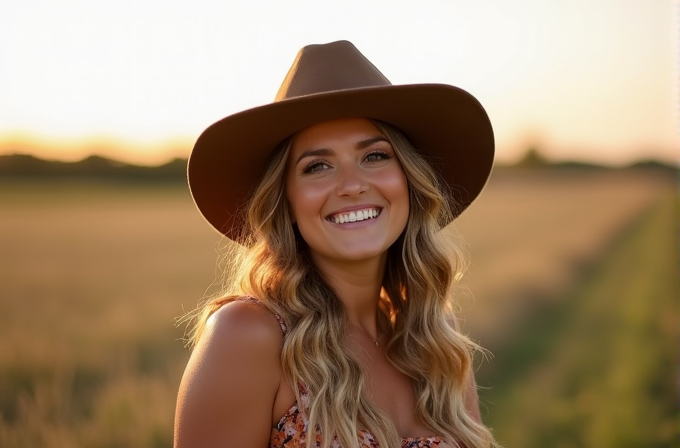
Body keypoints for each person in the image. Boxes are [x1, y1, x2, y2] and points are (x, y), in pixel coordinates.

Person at [174, 40, 500, 448]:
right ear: (286, 201)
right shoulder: (249, 336)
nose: (351, 186)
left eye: (375, 156)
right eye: (318, 166)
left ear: (410, 180)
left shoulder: (434, 334)